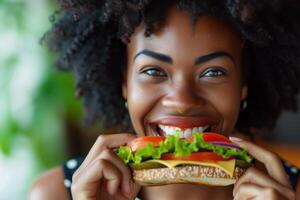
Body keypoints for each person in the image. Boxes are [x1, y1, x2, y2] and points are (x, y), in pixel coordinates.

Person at [29, 0, 300, 199]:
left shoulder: (290, 192)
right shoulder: (55, 193)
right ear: (124, 83)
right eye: (154, 71)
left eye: (213, 72)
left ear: (243, 85)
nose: (182, 101)